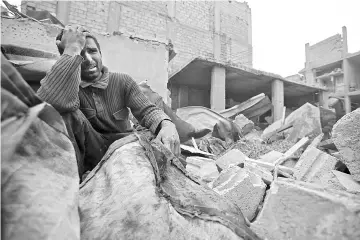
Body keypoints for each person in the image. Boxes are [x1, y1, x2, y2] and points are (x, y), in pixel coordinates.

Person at [37, 25, 180, 178]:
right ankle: (74, 186)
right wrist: (72, 49)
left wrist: (167, 124)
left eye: (93, 51)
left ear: (101, 54)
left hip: (124, 148)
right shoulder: (69, 87)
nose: (89, 60)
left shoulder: (122, 81)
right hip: (91, 151)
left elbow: (147, 110)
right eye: (81, 53)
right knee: (67, 114)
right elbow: (45, 108)